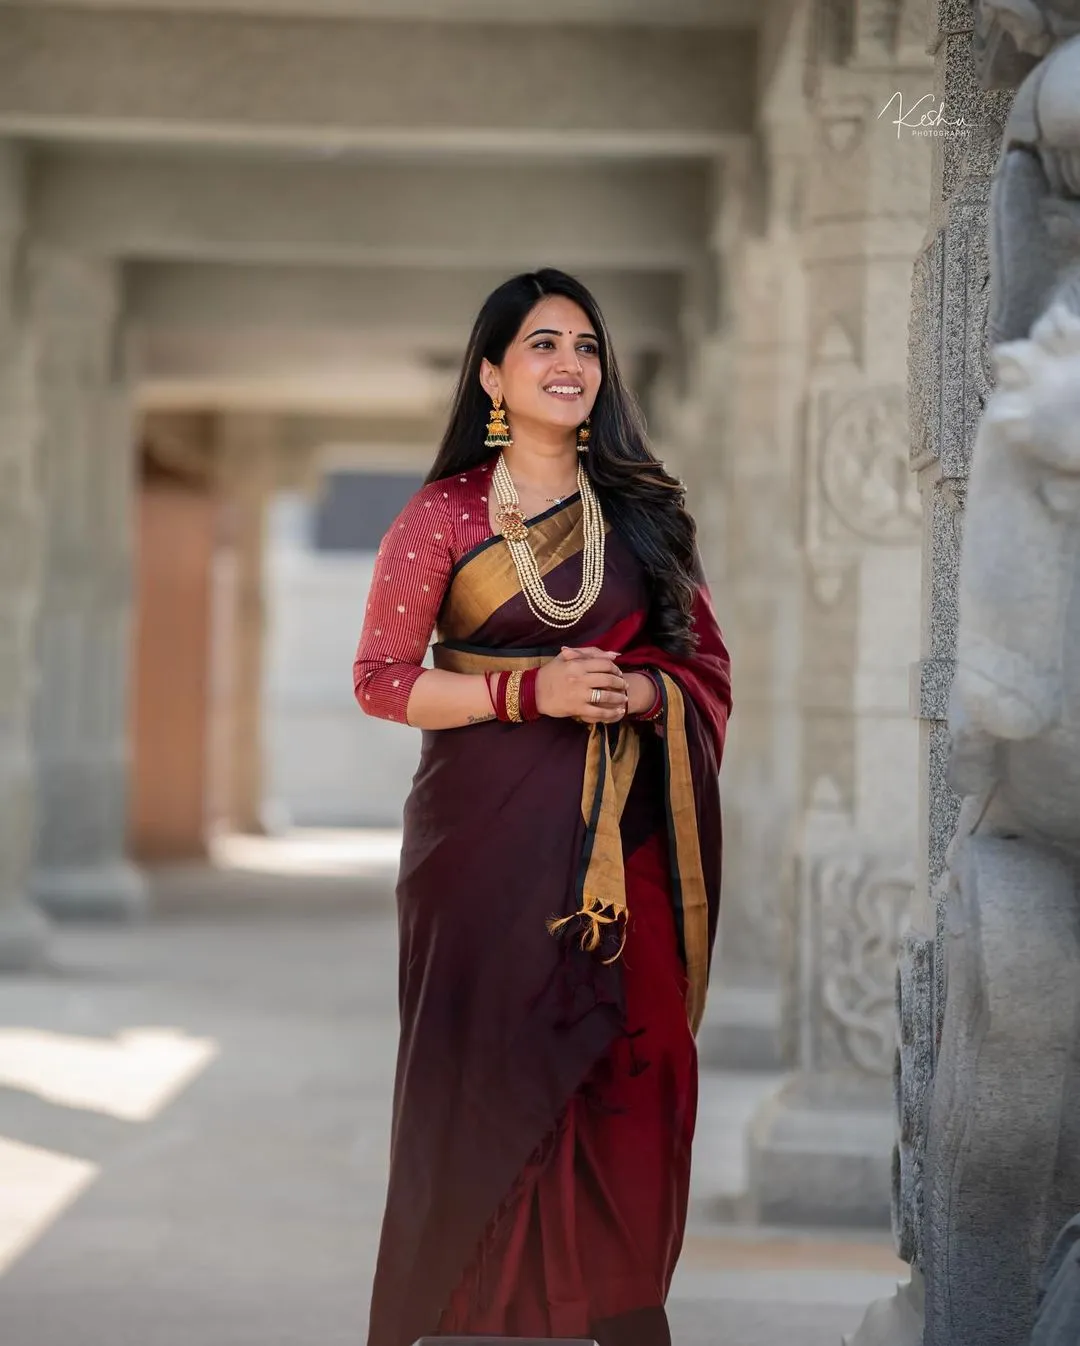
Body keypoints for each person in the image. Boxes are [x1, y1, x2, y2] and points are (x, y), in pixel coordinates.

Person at [354, 268, 732, 1346]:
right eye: (542, 345)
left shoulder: (645, 514)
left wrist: (644, 688)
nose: (570, 363)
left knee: (636, 1066)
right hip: (483, 851)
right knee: (490, 1081)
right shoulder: (444, 514)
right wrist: (532, 687)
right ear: (492, 374)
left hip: (628, 846)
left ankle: (616, 1311)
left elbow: (705, 662)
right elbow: (382, 677)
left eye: (586, 345)